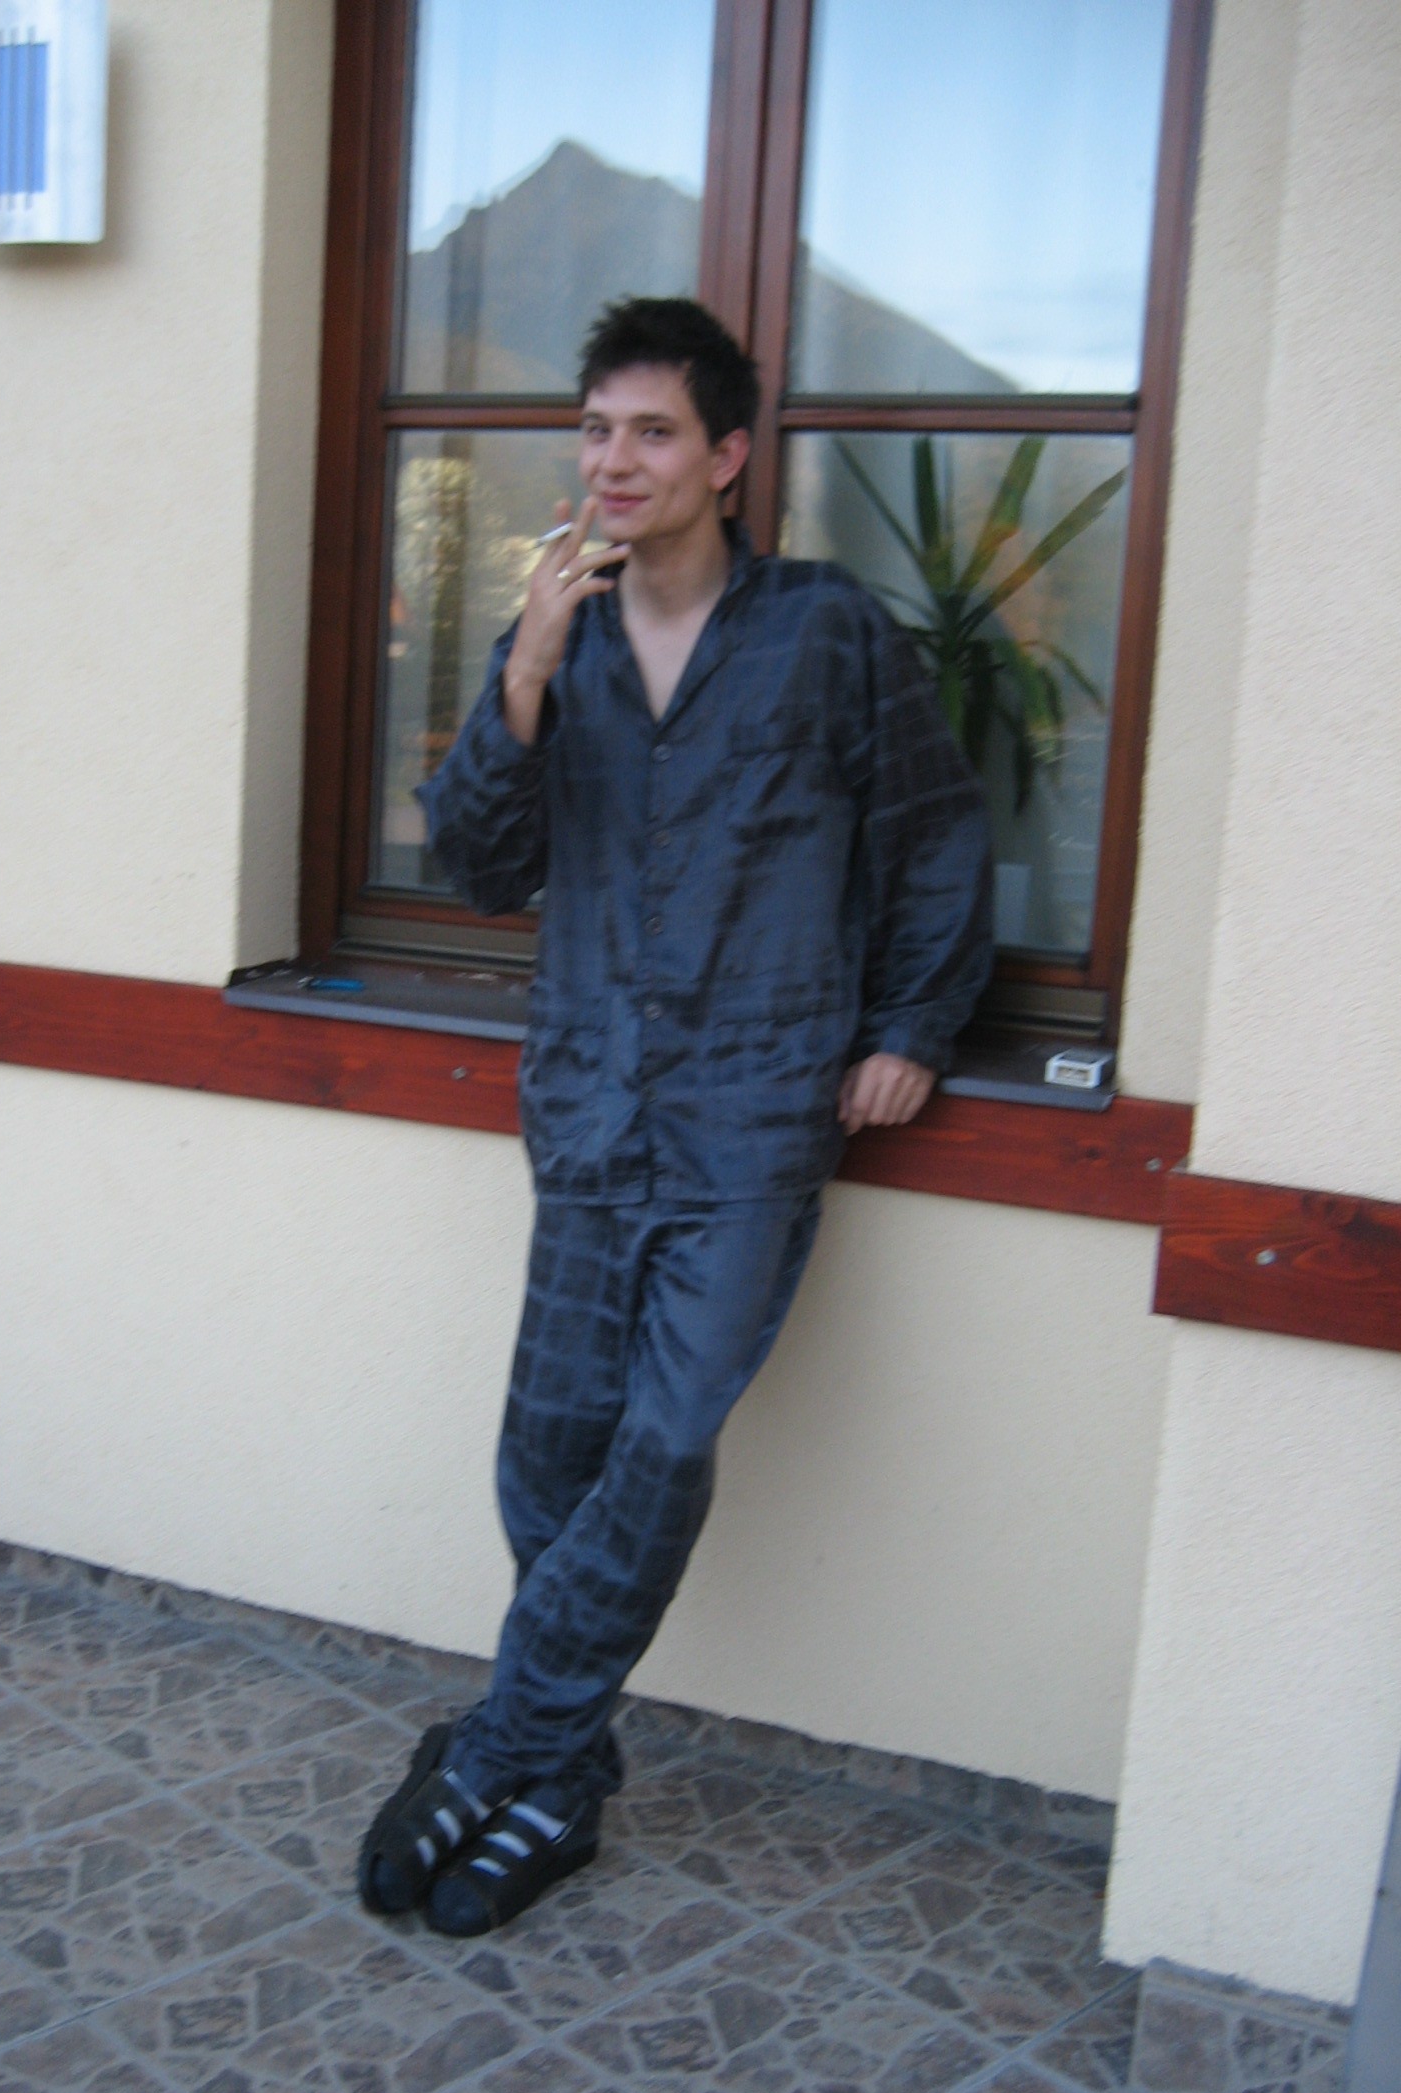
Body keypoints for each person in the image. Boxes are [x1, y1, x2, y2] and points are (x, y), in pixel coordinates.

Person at [357, 296, 993, 1937]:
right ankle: (561, 1786)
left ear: (726, 457)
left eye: (652, 431)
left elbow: (934, 833)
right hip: (587, 1104)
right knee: (547, 1456)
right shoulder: (553, 639)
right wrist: (526, 672)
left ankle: (502, 1747)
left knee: (663, 1436)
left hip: (757, 1116)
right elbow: (483, 866)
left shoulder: (825, 631)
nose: (614, 460)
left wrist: (913, 1026)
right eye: (595, 430)